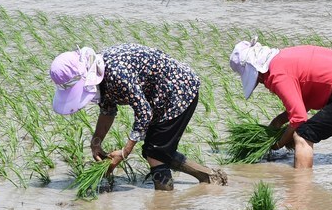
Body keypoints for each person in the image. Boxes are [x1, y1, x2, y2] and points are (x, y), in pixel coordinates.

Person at [49, 44, 226, 190]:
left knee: (155, 150)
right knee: (155, 150)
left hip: (179, 92)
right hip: (158, 97)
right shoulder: (99, 77)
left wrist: (124, 152)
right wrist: (96, 142)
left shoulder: (116, 74)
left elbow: (144, 112)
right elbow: (107, 110)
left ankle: (204, 179)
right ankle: (169, 200)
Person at [228, 39, 332, 169]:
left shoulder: (277, 74)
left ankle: (301, 193)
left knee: (303, 135)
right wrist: (278, 121)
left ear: (258, 71)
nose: (261, 83)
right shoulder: (286, 56)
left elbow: (299, 118)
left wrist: (277, 143)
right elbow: (306, 101)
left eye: (257, 80)